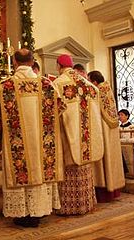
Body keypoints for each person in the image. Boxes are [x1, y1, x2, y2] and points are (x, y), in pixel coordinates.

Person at [0, 49, 66, 227]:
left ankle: (22, 214)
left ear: (15, 62)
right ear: (32, 63)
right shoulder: (47, 84)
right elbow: (61, 108)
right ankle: (38, 211)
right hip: (42, 143)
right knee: (39, 171)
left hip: (16, 142)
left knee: (19, 171)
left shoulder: (5, 85)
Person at [52, 55, 104, 215]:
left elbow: (53, 113)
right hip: (86, 138)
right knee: (83, 166)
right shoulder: (89, 86)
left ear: (59, 65)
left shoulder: (58, 84)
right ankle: (85, 204)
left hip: (67, 136)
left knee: (69, 166)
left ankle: (68, 207)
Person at [87, 70, 125, 202]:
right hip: (111, 130)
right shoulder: (107, 90)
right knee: (111, 159)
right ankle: (112, 189)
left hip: (103, 128)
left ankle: (103, 191)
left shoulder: (98, 92)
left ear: (95, 82)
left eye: (89, 80)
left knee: (104, 159)